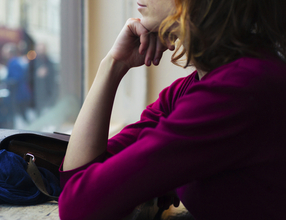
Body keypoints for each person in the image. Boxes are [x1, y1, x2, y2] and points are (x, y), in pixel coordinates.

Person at [59, 0, 286, 220]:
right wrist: (113, 64)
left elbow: (78, 206)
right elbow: (78, 181)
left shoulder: (236, 89)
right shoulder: (190, 90)